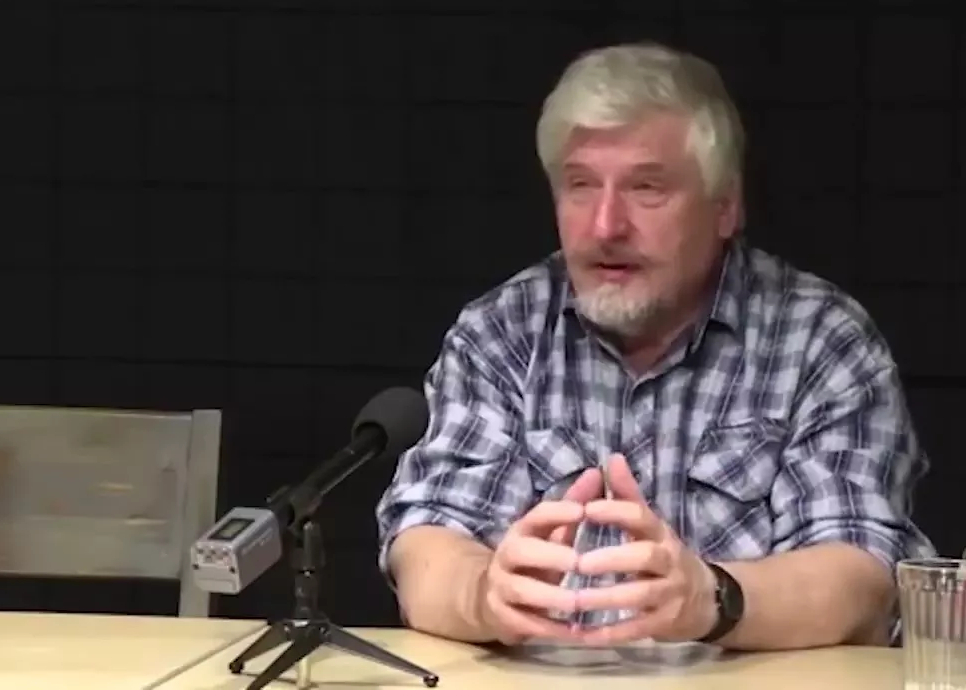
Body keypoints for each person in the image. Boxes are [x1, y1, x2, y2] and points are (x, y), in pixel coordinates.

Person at [375, 42, 935, 650]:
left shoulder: (820, 339)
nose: (606, 226)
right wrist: (483, 595)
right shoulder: (501, 332)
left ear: (726, 207)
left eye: (646, 187)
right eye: (580, 186)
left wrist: (710, 599)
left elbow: (860, 574)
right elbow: (426, 539)